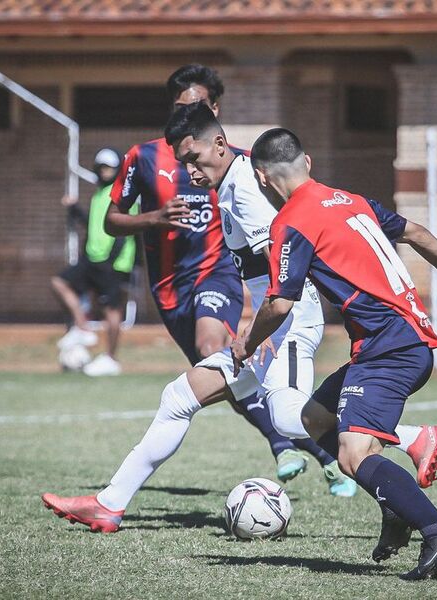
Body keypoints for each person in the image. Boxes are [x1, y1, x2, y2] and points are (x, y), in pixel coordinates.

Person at [40, 115, 437, 536]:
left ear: (219, 144)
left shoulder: (247, 190)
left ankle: (411, 437)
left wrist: (263, 334)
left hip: (285, 327)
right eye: (184, 163)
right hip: (273, 325)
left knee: (293, 418)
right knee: (180, 397)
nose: (191, 171)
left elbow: (287, 273)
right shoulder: (233, 183)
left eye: (195, 158)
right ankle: (108, 506)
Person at [231, 127, 437, 580]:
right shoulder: (351, 200)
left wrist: (247, 343)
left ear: (260, 178)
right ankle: (397, 508)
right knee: (314, 419)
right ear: (307, 162)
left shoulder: (290, 221)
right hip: (399, 339)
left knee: (352, 455)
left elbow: (279, 303)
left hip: (389, 347)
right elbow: (416, 231)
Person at [105, 64, 357, 492]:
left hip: (237, 289)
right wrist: (153, 218)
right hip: (171, 287)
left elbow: (282, 272)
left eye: (198, 106)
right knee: (248, 401)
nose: (191, 173)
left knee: (207, 363)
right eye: (181, 106)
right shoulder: (149, 158)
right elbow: (111, 220)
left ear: (214, 116)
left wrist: (254, 328)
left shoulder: (241, 176)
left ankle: (110, 503)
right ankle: (327, 450)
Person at [52, 148, 136, 376]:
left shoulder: (122, 193)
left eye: (109, 167)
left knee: (111, 309)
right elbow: (93, 222)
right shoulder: (99, 193)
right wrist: (73, 209)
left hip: (113, 263)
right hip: (92, 259)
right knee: (60, 282)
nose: (105, 171)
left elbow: (126, 229)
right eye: (101, 167)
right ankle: (82, 326)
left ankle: (111, 358)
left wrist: (112, 260)